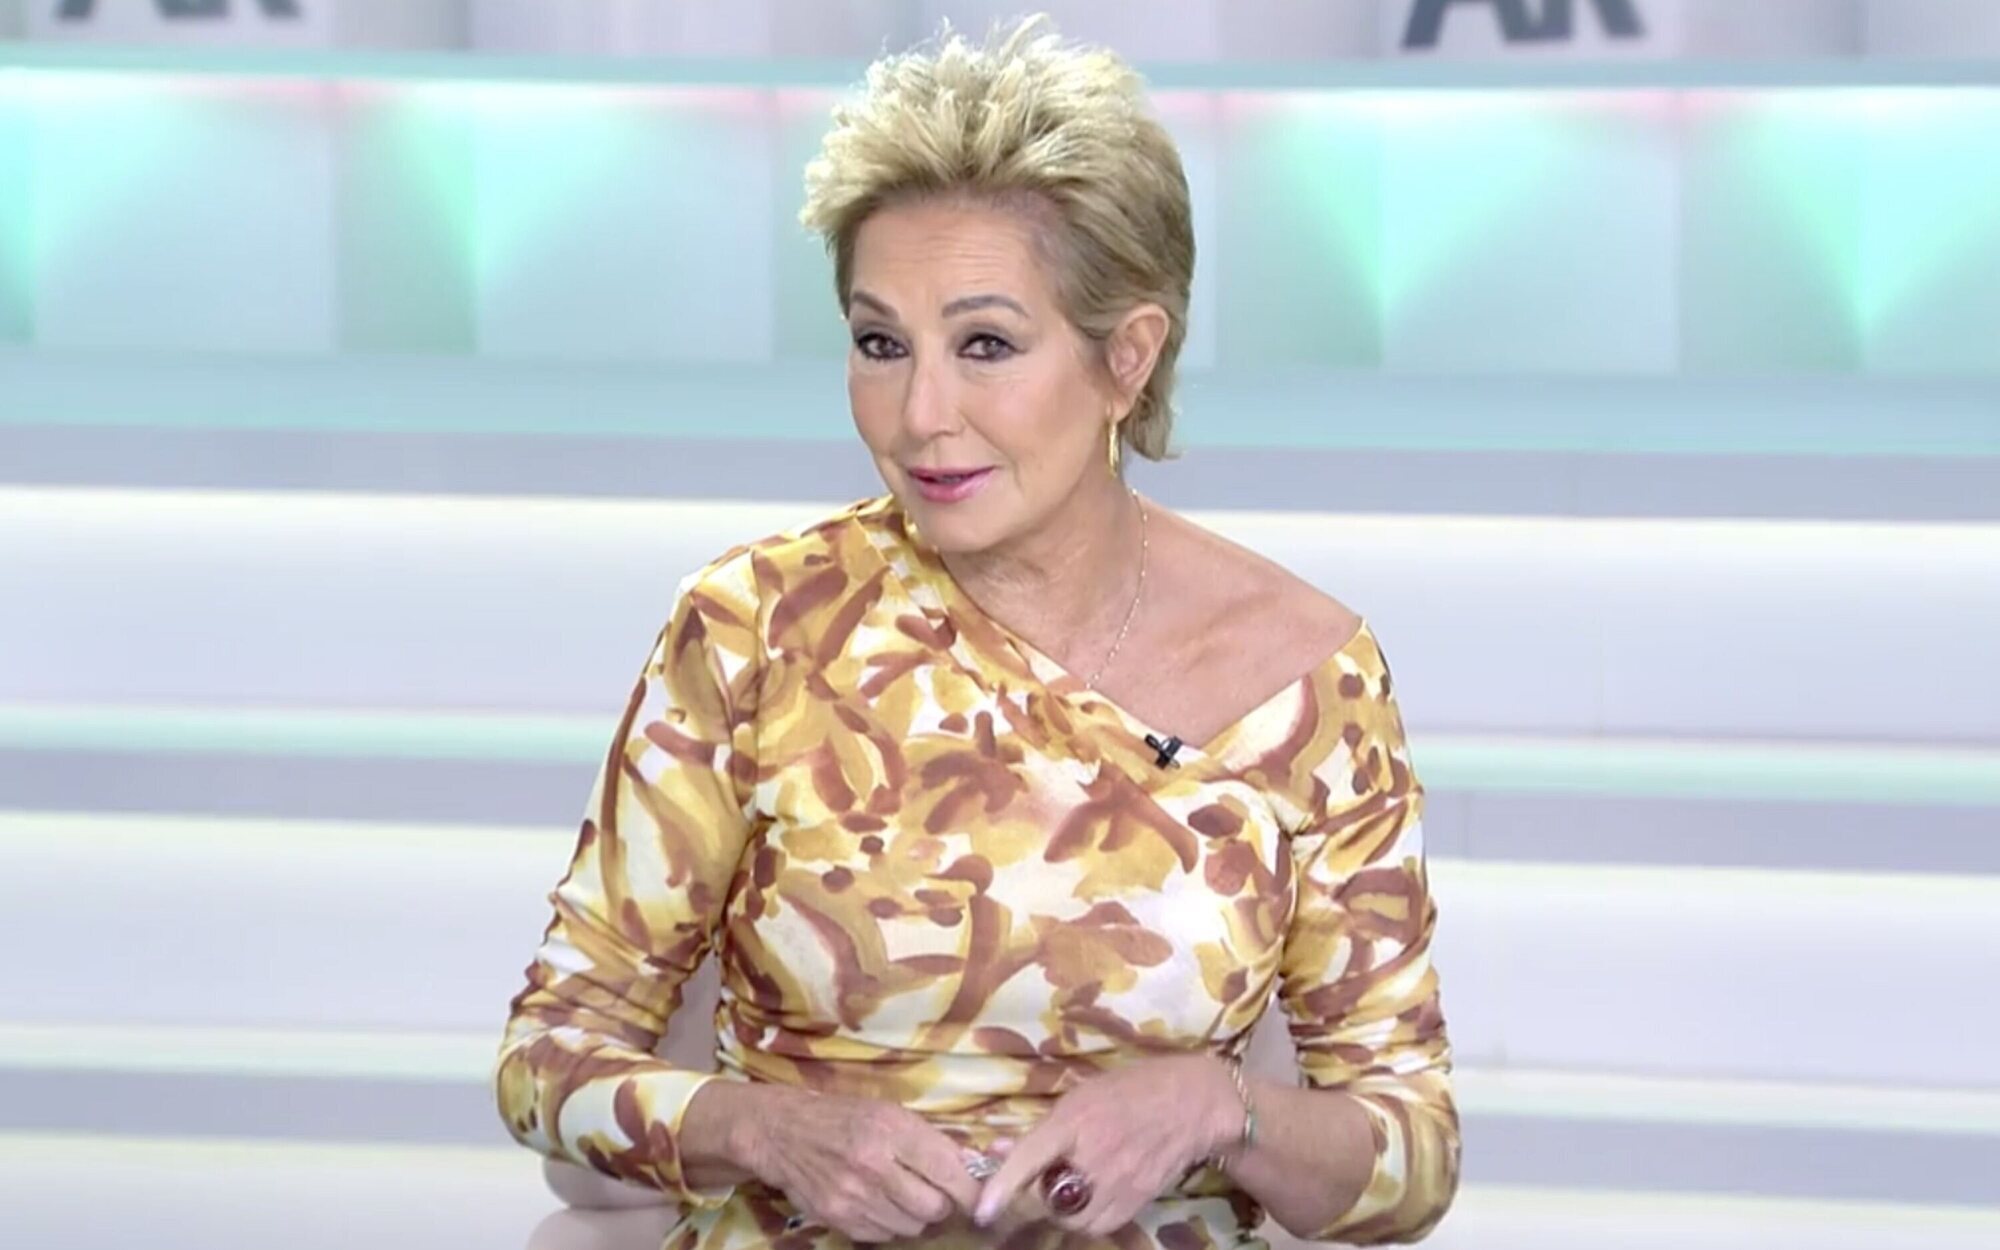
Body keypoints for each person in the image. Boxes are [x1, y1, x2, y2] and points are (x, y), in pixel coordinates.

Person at [496, 16, 1458, 1249]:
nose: (919, 413)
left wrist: (1218, 1108)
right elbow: (549, 1055)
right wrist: (766, 1128)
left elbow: (1410, 1153)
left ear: (1127, 357)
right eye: (878, 343)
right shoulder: (752, 629)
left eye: (985, 345)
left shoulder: (1307, 677)